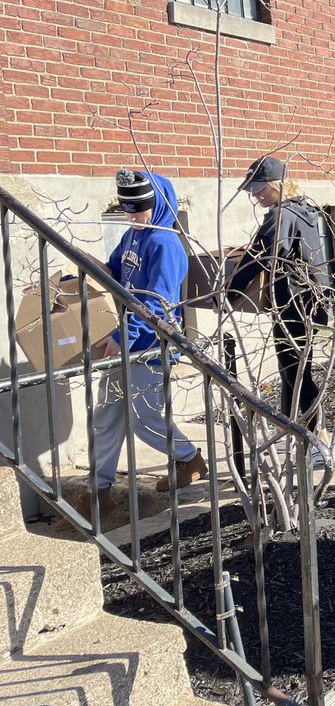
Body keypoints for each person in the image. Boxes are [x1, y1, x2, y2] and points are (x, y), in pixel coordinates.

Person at [58, 170, 205, 531]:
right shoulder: (132, 235)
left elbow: (159, 305)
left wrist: (124, 337)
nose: (133, 217)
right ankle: (99, 490)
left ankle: (189, 459)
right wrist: (85, 272)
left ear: (159, 205)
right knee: (106, 415)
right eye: (127, 210)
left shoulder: (165, 244)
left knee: (144, 419)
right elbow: (114, 274)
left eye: (140, 210)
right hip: (121, 341)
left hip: (150, 348)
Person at [227, 157, 333, 458]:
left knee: (296, 371)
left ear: (277, 185)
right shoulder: (304, 209)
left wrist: (229, 291)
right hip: (311, 301)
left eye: (260, 188)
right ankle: (286, 425)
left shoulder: (282, 214)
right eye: (253, 190)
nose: (256, 195)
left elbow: (260, 254)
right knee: (293, 367)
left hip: (294, 303)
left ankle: (319, 438)